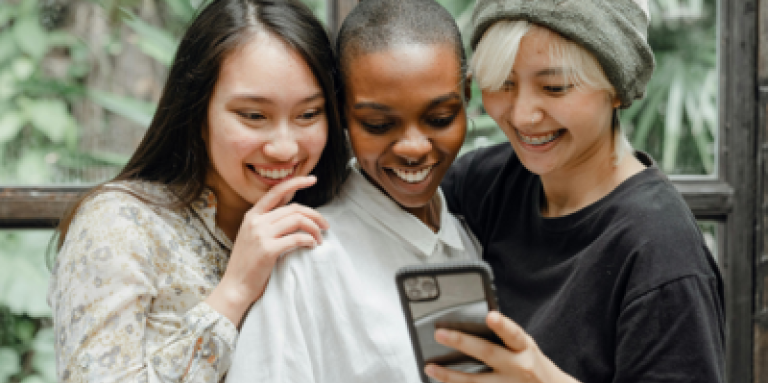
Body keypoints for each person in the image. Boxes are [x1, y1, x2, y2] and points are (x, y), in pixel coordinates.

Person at [47, 0, 349, 381]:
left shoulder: (336, 220)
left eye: (308, 114)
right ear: (197, 114)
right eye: (254, 116)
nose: (285, 147)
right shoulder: (119, 225)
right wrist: (234, 292)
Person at [429, 0, 726, 382]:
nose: (522, 115)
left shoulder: (661, 252)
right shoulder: (489, 180)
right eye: (504, 83)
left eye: (554, 87)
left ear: (616, 89)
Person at [225, 0, 481, 382]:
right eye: (378, 124)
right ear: (341, 111)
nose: (413, 147)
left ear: (467, 94)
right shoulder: (307, 258)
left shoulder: (464, 238)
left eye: (440, 119)